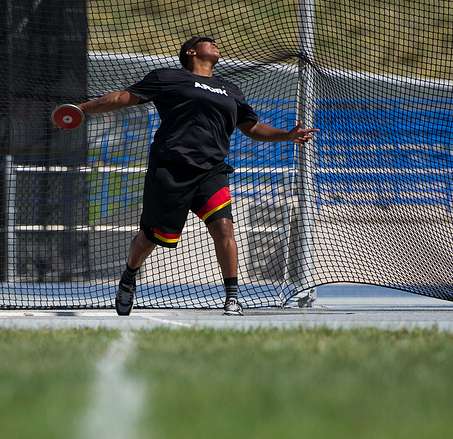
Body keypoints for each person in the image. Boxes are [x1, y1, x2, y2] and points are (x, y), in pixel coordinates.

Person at [77, 36, 317, 316]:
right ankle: (129, 277)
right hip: (171, 169)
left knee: (224, 228)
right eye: (208, 43)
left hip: (212, 171)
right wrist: (81, 109)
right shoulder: (167, 78)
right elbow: (121, 98)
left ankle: (232, 297)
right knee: (150, 237)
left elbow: (252, 128)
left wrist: (287, 135)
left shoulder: (230, 90)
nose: (216, 45)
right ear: (191, 51)